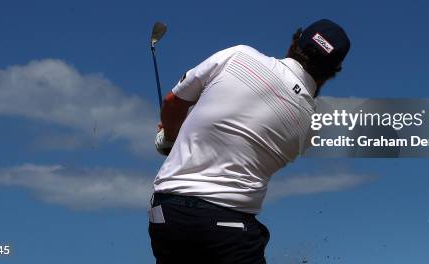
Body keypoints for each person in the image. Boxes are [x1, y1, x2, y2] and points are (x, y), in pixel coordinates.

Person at [148, 19, 350, 264]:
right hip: (229, 230)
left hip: (167, 216)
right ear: (331, 73)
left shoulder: (239, 55)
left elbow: (173, 103)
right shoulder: (310, 126)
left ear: (294, 43)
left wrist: (169, 138)